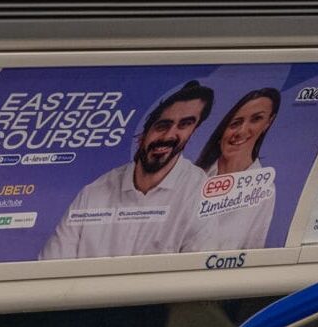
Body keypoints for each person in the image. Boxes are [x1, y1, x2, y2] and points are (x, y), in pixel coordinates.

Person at [38, 81, 213, 259]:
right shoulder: (92, 194)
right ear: (143, 135)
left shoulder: (200, 194)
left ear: (193, 130)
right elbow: (51, 266)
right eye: (162, 125)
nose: (168, 135)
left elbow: (197, 276)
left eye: (184, 124)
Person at [187, 87, 282, 252]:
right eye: (235, 123)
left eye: (256, 119)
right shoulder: (192, 176)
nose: (242, 131)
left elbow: (251, 253)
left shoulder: (264, 190)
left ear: (269, 122)